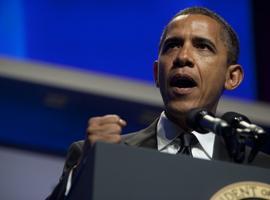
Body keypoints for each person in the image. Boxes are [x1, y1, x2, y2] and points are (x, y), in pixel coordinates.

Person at [47, 6, 270, 200]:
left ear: (232, 77)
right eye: (172, 45)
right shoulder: (101, 154)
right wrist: (85, 171)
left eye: (202, 46)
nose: (183, 57)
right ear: (156, 73)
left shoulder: (261, 171)